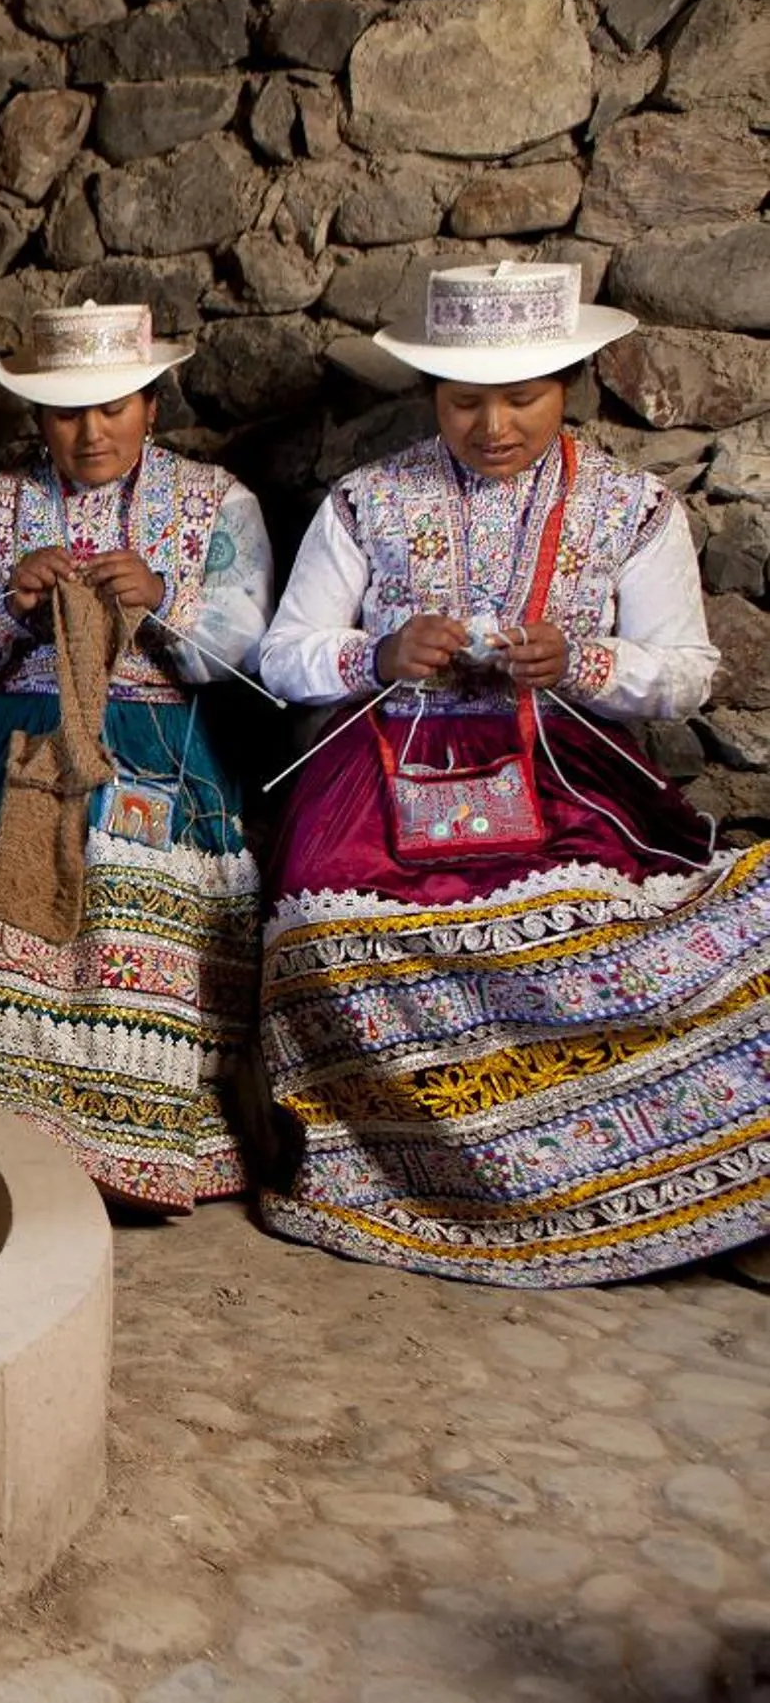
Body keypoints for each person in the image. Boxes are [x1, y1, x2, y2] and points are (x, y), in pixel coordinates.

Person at [256, 262, 770, 1286]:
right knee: (322, 931)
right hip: (380, 771)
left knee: (659, 931)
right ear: (431, 398)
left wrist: (581, 663)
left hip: (563, 777)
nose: (492, 424)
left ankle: (640, 1188)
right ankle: (399, 1183)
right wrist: (378, 654)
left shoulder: (631, 507)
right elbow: (282, 652)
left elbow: (686, 671)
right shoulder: (367, 501)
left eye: (521, 397)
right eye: (463, 400)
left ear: (569, 385)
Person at [0, 303, 274, 1211]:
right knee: (5, 904)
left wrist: (163, 598)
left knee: (125, 904)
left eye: (113, 407)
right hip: (13, 743)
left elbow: (242, 644)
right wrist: (11, 603)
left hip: (158, 751)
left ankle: (136, 1144)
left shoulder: (217, 502)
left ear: (150, 408)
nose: (90, 432)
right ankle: (1, 1137)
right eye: (64, 413)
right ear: (36, 420)